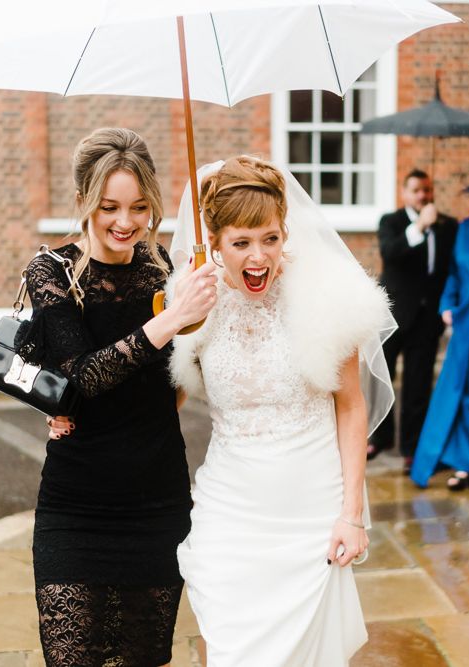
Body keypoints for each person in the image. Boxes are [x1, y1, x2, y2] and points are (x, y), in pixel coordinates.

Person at [167, 156, 394, 666]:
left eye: (270, 238)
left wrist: (352, 516)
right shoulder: (193, 306)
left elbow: (352, 407)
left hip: (310, 513)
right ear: (215, 241)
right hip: (229, 512)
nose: (258, 257)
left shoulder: (324, 300)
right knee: (227, 649)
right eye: (241, 242)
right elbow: (162, 404)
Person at [17, 127, 217, 666]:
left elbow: (173, 387)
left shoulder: (167, 274)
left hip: (155, 502)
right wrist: (172, 320)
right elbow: (81, 376)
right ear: (83, 200)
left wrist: (195, 325)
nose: (126, 222)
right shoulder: (53, 272)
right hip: (75, 505)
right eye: (109, 207)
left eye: (138, 207)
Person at [369, 169, 458, 472]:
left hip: (427, 318)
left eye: (427, 190)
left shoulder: (448, 225)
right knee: (382, 377)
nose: (423, 195)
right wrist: (419, 225)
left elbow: (452, 269)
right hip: (393, 314)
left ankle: (411, 447)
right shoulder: (390, 222)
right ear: (405, 193)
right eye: (417, 190)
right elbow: (391, 254)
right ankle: (379, 437)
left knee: (418, 386)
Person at [411, 181, 469, 490]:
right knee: (463, 392)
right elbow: (453, 272)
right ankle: (466, 464)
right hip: (466, 324)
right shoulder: (464, 230)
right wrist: (447, 303)